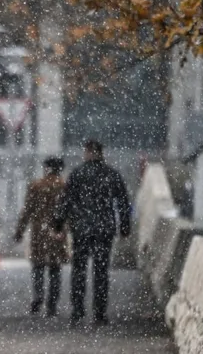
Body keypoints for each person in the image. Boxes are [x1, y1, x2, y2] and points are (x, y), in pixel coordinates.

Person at [54, 139, 131, 327]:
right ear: (101, 153)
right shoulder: (112, 175)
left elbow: (66, 201)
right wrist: (124, 227)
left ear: (87, 152)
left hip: (81, 228)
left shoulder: (77, 174)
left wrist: (58, 224)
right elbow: (122, 203)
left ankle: (78, 310)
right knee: (101, 271)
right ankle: (100, 312)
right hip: (104, 228)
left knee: (79, 269)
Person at [14, 156, 68, 317]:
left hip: (39, 232)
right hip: (57, 232)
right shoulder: (64, 186)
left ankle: (38, 298)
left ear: (46, 168)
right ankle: (52, 304)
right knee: (55, 268)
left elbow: (27, 210)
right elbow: (68, 210)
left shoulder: (36, 186)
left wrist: (19, 231)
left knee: (38, 267)